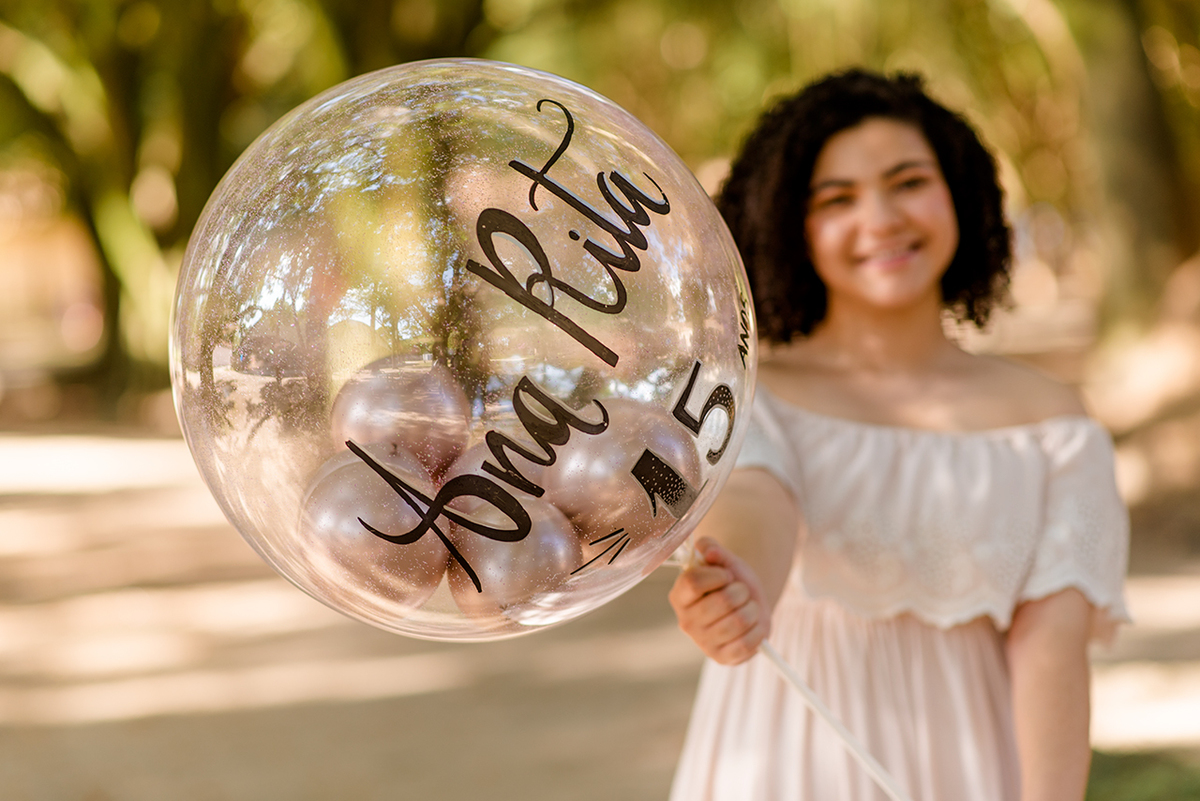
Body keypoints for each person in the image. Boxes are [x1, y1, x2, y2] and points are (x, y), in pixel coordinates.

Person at [668, 69, 1129, 801]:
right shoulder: (751, 389)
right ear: (791, 222)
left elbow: (1052, 648)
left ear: (963, 194)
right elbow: (757, 498)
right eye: (837, 199)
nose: (880, 217)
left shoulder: (1053, 423)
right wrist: (739, 582)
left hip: (975, 764)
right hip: (783, 762)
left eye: (908, 181)